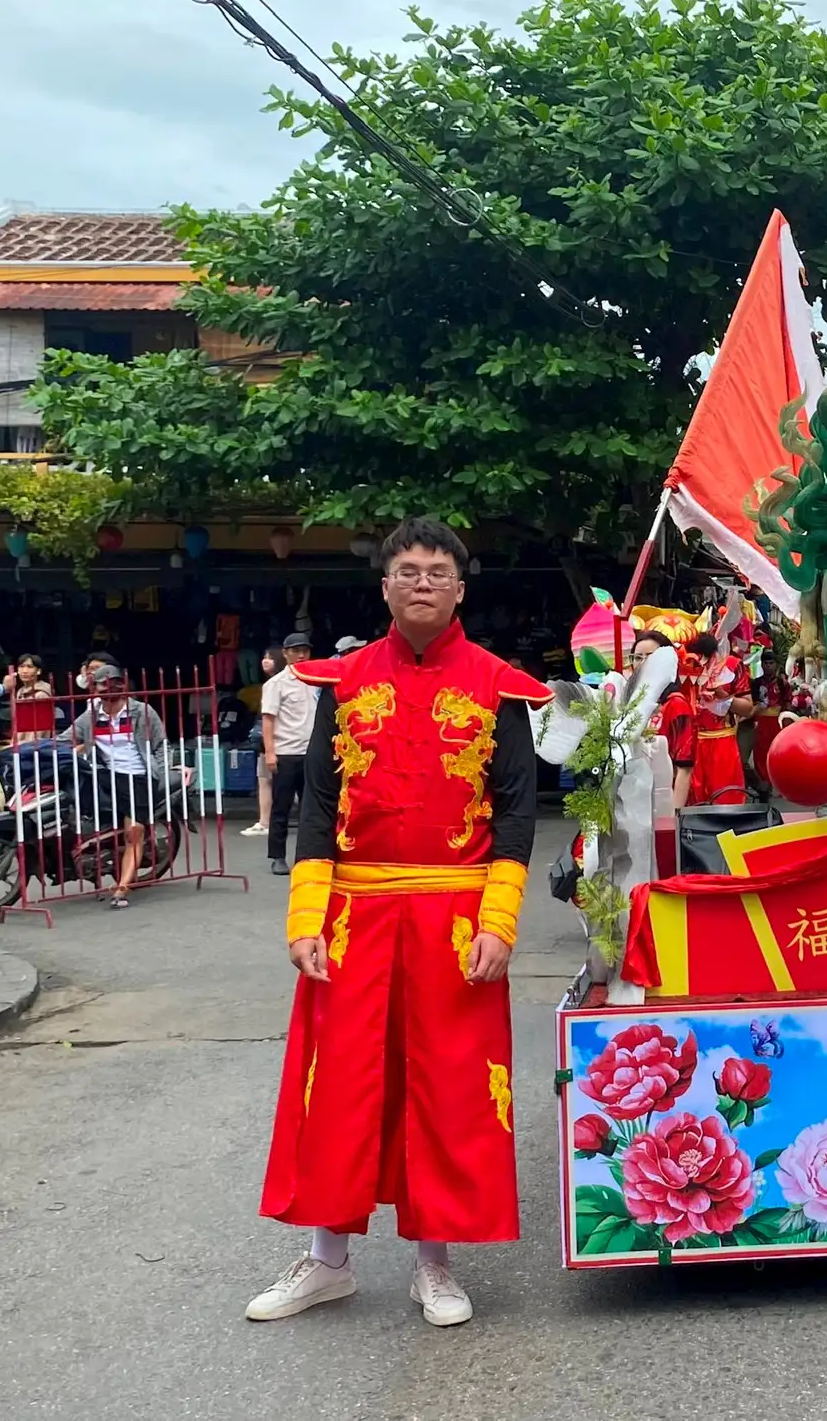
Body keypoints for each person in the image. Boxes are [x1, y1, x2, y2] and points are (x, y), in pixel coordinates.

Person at [248, 517, 550, 1328]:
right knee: (338, 1084)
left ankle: (435, 1264)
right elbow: (315, 806)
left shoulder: (500, 687)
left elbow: (517, 812)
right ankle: (327, 1260)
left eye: (437, 571)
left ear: (460, 588)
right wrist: (305, 916)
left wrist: (500, 920)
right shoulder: (338, 682)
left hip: (456, 916)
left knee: (447, 1087)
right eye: (407, 570)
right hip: (353, 914)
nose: (422, 582)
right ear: (384, 585)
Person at [66, 667, 167, 910]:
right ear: (95, 689)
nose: (111, 689)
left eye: (116, 684)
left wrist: (159, 774)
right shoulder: (92, 715)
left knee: (134, 832)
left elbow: (161, 745)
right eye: (105, 684)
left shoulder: (141, 711)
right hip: (104, 774)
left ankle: (122, 888)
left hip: (137, 775)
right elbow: (67, 737)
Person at [259, 633, 320, 877]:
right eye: (295, 651)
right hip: (286, 753)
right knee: (281, 808)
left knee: (312, 809)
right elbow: (268, 720)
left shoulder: (317, 679)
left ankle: (308, 856)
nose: (301, 655)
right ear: (285, 654)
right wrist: (270, 752)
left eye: (305, 650)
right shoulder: (276, 684)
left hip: (312, 753)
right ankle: (277, 856)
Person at [631, 630, 697, 808]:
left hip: (664, 802)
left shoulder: (676, 705)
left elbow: (685, 768)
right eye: (638, 657)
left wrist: (672, 816)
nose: (643, 663)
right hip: (638, 802)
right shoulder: (632, 703)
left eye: (650, 657)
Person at [685, 633, 750, 806]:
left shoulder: (730, 666)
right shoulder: (683, 666)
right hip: (690, 743)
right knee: (692, 801)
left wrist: (725, 698)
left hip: (722, 742)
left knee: (726, 798)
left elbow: (747, 708)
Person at [242, 647, 283, 836]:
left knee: (269, 781)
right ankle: (265, 821)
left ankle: (266, 822)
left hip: (279, 741)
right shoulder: (268, 684)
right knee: (265, 780)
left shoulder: (277, 684)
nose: (265, 661)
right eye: (264, 657)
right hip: (268, 742)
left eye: (270, 658)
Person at [6, 654, 56, 741]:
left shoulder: (41, 695)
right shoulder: (20, 692)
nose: (24, 671)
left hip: (33, 744)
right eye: (21, 667)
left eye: (30, 667)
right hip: (19, 741)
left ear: (38, 671)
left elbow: (41, 728)